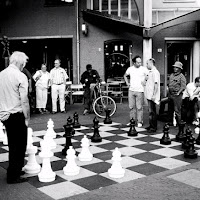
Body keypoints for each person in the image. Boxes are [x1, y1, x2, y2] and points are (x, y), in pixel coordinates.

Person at [0, 51, 30, 184]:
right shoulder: (20, 76)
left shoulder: (1, 74)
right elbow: (24, 100)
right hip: (16, 114)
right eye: (24, 63)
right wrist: (27, 117)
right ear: (20, 62)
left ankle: (16, 169)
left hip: (4, 115)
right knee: (19, 145)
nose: (24, 65)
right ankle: (13, 176)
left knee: (13, 144)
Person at [124, 55, 149, 127]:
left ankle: (140, 121)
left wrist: (145, 81)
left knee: (139, 107)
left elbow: (148, 75)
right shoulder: (130, 69)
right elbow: (125, 75)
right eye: (138, 62)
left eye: (140, 62)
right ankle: (132, 120)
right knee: (131, 107)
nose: (139, 64)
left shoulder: (143, 69)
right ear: (134, 63)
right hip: (131, 90)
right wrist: (127, 83)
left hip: (140, 90)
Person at [168, 61, 186, 126]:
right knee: (170, 108)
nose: (175, 68)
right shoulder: (171, 75)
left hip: (177, 95)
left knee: (177, 109)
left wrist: (178, 92)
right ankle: (170, 122)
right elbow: (169, 83)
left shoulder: (182, 76)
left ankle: (179, 122)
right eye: (174, 67)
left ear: (179, 69)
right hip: (171, 94)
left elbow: (183, 86)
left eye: (176, 67)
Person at [144, 58, 160, 132]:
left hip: (152, 95)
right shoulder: (149, 72)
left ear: (151, 63)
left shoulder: (155, 72)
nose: (146, 65)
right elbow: (144, 83)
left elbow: (156, 84)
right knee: (150, 111)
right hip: (149, 94)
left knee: (152, 111)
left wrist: (154, 95)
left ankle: (153, 127)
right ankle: (151, 125)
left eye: (147, 63)